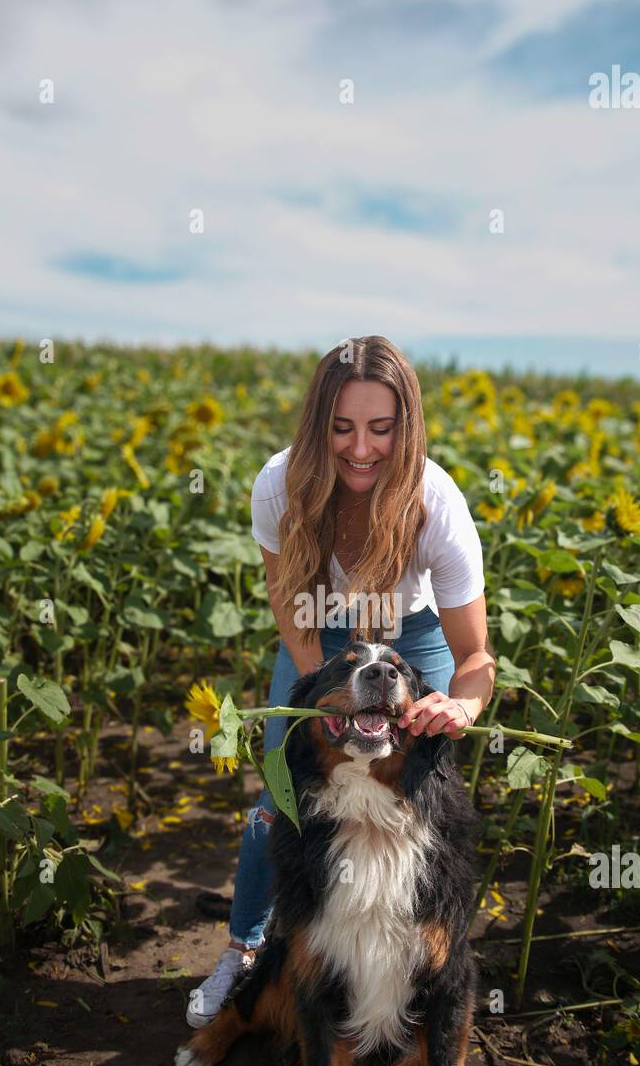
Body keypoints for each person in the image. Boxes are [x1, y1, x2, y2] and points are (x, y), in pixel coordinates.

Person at [186, 335, 496, 1027]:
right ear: (317, 425)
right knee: (284, 795)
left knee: (423, 799)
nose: (361, 448)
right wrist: (320, 701)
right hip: (320, 636)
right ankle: (247, 950)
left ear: (406, 428)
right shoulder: (281, 484)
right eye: (342, 428)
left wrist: (462, 708)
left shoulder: (436, 504)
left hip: (411, 637)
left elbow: (476, 657)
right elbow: (289, 607)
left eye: (381, 429)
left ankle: (414, 957)